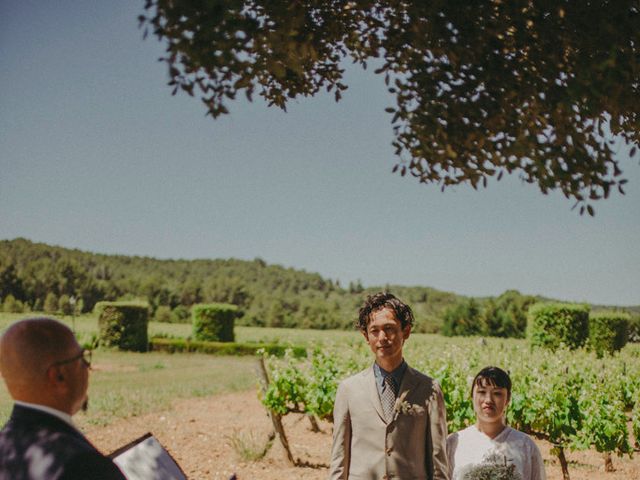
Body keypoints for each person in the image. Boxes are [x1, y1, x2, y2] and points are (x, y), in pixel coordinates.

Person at [329, 292, 449, 480]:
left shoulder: (430, 389)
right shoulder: (348, 390)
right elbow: (339, 457)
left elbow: (438, 459)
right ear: (366, 336)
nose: (382, 337)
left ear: (406, 331)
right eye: (374, 330)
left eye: (389, 328)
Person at [0, 317, 126, 480]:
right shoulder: (86, 466)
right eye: (82, 359)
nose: (87, 368)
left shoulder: (6, 445)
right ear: (59, 376)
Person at [447, 366, 545, 480]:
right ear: (471, 397)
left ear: (508, 399)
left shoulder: (525, 446)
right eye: (482, 392)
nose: (488, 400)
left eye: (497, 393)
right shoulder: (454, 443)